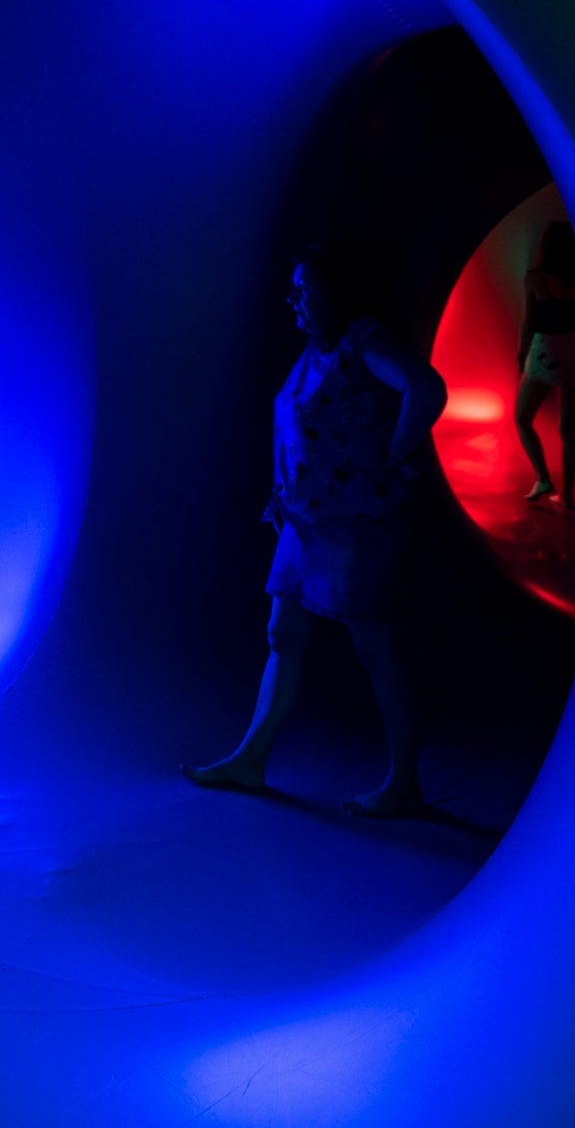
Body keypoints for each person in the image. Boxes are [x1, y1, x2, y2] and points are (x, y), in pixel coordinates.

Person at [183, 246, 447, 818]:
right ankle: (251, 759)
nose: (293, 300)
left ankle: (405, 783)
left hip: (357, 527)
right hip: (306, 525)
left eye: (304, 289)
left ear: (335, 292)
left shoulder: (362, 340)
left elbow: (425, 387)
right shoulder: (315, 352)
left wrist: (399, 452)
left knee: (376, 649)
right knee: (284, 635)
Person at [515, 220, 575, 509]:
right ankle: (568, 497)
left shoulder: (536, 278)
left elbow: (528, 323)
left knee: (522, 418)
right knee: (568, 428)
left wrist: (521, 355)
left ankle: (543, 478)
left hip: (548, 349)